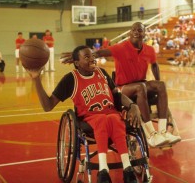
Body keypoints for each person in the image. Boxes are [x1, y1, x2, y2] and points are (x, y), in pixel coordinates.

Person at [27, 45, 140, 183]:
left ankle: (127, 169)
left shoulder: (102, 73)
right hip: (90, 117)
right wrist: (36, 79)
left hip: (111, 113)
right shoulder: (70, 79)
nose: (92, 59)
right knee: (103, 120)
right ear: (76, 63)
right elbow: (48, 105)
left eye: (93, 56)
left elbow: (118, 94)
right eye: (87, 57)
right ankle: (103, 171)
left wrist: (133, 105)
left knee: (115, 119)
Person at [62, 22, 181, 148]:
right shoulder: (121, 47)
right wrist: (78, 55)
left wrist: (157, 83)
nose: (136, 32)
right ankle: (151, 134)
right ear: (130, 33)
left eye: (139, 30)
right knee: (141, 87)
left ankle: (162, 132)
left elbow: (155, 65)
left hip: (141, 83)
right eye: (133, 30)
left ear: (144, 33)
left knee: (161, 85)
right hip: (123, 88)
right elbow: (99, 53)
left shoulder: (149, 50)